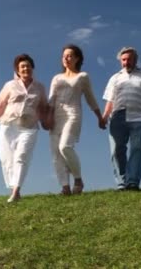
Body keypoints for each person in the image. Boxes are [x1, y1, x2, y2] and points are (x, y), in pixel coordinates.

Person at [0, 54, 49, 203]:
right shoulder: (10, 85)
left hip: (29, 126)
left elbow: (44, 107)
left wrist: (46, 122)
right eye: (22, 67)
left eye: (28, 66)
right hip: (8, 125)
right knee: (7, 158)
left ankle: (16, 190)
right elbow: (0, 103)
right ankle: (13, 187)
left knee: (22, 157)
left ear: (32, 68)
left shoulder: (40, 87)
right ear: (18, 71)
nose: (26, 68)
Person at [46, 44, 105, 196]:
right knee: (56, 154)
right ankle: (65, 187)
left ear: (77, 58)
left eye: (70, 55)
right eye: (64, 55)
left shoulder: (82, 77)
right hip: (56, 116)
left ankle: (78, 180)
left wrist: (99, 116)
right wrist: (47, 117)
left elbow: (90, 98)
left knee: (65, 147)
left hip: (73, 115)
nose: (66, 58)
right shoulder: (57, 78)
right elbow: (51, 99)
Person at [102, 46, 141, 191]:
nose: (126, 62)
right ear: (120, 61)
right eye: (123, 60)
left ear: (135, 60)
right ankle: (122, 182)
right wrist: (104, 117)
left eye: (129, 59)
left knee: (136, 149)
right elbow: (110, 100)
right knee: (116, 150)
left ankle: (133, 182)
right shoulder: (115, 77)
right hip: (117, 116)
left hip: (139, 117)